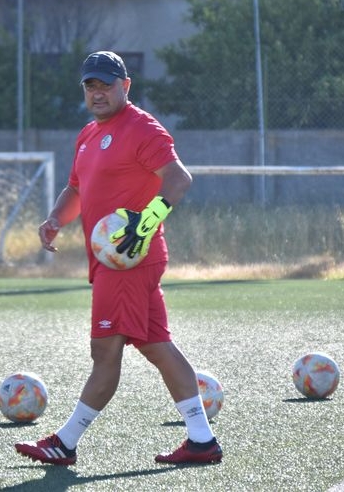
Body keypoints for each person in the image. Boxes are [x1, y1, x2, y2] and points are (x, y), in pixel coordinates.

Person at [14, 51, 222, 466]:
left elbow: (179, 179)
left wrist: (145, 224)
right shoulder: (88, 134)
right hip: (114, 262)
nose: (98, 93)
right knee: (157, 345)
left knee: (105, 352)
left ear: (125, 86)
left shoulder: (141, 127)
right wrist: (56, 218)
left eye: (106, 84)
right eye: (90, 86)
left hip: (127, 261)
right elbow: (76, 189)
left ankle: (66, 442)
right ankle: (201, 440)